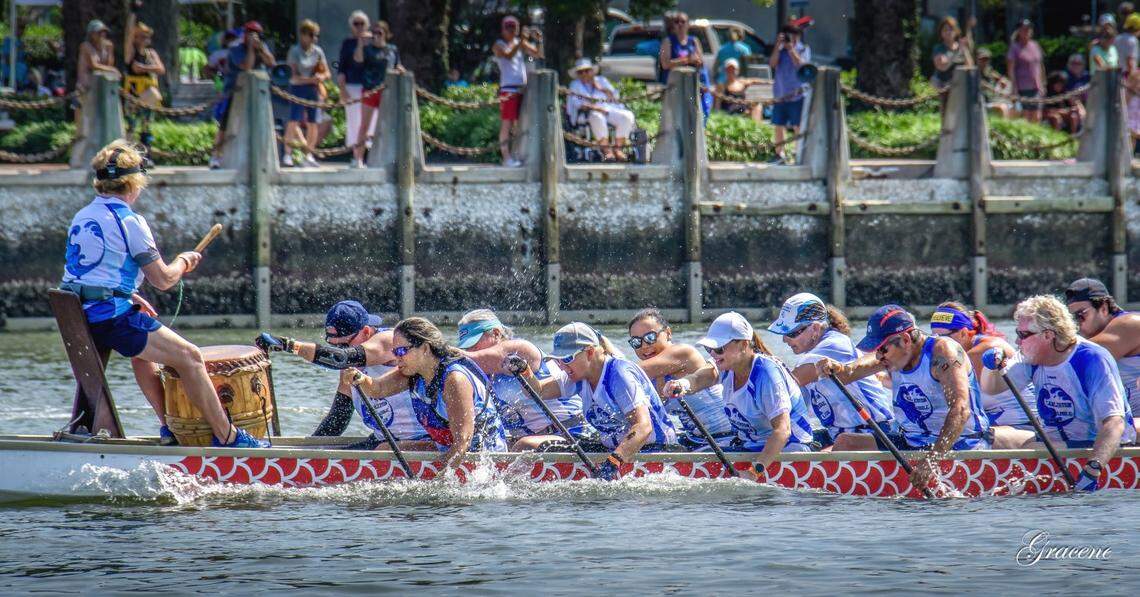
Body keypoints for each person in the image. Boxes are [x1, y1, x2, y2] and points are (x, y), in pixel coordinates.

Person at [60, 140, 267, 448]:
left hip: (79, 315)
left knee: (142, 357)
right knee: (191, 357)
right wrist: (184, 261)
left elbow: (88, 274)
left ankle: (169, 428)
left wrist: (129, 297)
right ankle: (229, 437)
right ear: (133, 182)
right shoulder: (130, 221)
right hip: (110, 319)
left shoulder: (82, 216)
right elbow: (163, 280)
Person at [815, 305, 991, 493]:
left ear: (905, 340)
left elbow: (960, 409)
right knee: (845, 442)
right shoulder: (893, 355)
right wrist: (835, 367)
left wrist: (932, 459)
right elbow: (848, 373)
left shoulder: (942, 353)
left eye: (882, 349)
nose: (879, 356)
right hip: (913, 442)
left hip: (960, 444)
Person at [980, 295, 1136, 492]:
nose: (1017, 341)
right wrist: (991, 367)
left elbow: (1114, 424)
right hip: (1056, 443)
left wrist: (1093, 468)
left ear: (1047, 335)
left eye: (1023, 334)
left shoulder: (1091, 359)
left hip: (1099, 449)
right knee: (989, 436)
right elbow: (992, 388)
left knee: (1029, 449)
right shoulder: (1031, 357)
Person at [508, 323, 679, 480]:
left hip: (655, 451)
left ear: (590, 352)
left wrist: (613, 462)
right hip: (613, 451)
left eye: (567, 359)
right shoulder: (578, 375)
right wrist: (525, 372)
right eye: (558, 360)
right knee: (533, 447)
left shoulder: (619, 374)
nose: (561, 365)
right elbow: (538, 391)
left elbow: (643, 427)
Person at [257, 301, 430, 450]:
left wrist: (287, 345)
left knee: (381, 449)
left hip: (422, 442)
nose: (340, 351)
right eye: (333, 346)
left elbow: (341, 358)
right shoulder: (349, 364)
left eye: (345, 345)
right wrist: (307, 452)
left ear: (367, 332)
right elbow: (338, 419)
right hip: (385, 441)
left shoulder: (389, 341)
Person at [664, 312, 817, 481]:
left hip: (788, 451)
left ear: (743, 344)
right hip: (751, 448)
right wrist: (682, 385)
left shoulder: (766, 374)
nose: (714, 354)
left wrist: (754, 472)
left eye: (719, 348)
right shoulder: (726, 366)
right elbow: (700, 378)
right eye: (709, 349)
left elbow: (782, 431)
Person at [349, 317, 509, 474]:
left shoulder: (454, 380)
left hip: (484, 459)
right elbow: (377, 389)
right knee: (383, 449)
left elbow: (462, 443)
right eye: (394, 351)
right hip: (448, 448)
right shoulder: (412, 372)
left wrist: (438, 485)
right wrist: (360, 378)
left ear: (425, 348)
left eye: (402, 351)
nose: (397, 357)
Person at [766, 294, 897, 451]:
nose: (785, 340)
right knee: (781, 440)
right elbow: (788, 404)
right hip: (837, 434)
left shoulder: (835, 343)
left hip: (877, 433)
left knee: (841, 442)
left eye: (791, 333)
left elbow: (790, 382)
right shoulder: (810, 355)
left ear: (814, 328)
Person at [455, 309, 597, 451]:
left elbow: (476, 359)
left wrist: (438, 349)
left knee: (523, 445)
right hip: (530, 443)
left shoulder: (520, 350)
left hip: (572, 433)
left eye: (474, 344)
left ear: (496, 333)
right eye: (465, 347)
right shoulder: (479, 374)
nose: (470, 350)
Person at [928, 302, 1037, 448]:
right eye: (933, 337)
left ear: (964, 333)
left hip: (1026, 427)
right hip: (998, 424)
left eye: (943, 337)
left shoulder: (981, 351)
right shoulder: (956, 352)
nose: (937, 343)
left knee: (961, 435)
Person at [626, 308, 734, 451]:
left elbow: (621, 372)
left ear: (668, 333)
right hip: (694, 439)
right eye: (636, 342)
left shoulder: (683, 353)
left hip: (726, 439)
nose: (645, 346)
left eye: (650, 337)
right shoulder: (650, 375)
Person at [1065, 278, 1140, 420]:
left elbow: (1068, 357)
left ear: (1104, 308)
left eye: (1080, 315)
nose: (1076, 324)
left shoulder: (1130, 324)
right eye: (1071, 319)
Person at [209, 21, 275, 169]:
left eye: (256, 34)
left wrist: (261, 50)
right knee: (224, 126)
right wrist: (251, 48)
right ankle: (215, 156)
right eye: (250, 33)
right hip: (234, 92)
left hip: (255, 92)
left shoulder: (262, 48)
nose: (253, 37)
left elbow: (272, 63)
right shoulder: (235, 50)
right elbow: (247, 67)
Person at [351, 21, 402, 169]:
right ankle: (358, 158)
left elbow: (397, 65)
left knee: (387, 126)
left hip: (387, 92)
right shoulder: (367, 49)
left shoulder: (392, 49)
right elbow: (358, 60)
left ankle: (386, 158)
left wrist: (403, 72)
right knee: (364, 125)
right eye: (374, 33)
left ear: (386, 34)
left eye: (380, 33)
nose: (376, 36)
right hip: (369, 90)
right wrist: (360, 43)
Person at [492, 16, 541, 167]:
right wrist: (521, 41)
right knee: (506, 124)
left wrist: (539, 40)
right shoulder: (498, 45)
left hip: (521, 89)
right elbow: (507, 55)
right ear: (503, 29)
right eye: (509, 28)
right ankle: (506, 158)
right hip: (508, 90)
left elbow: (538, 54)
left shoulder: (519, 43)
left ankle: (516, 155)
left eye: (514, 28)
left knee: (518, 125)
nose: (512, 31)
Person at [565, 58, 636, 162]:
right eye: (581, 72)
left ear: (592, 71)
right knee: (596, 116)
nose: (584, 74)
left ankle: (618, 149)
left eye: (587, 71)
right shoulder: (575, 85)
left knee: (627, 116)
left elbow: (614, 97)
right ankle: (607, 152)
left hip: (608, 109)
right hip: (588, 114)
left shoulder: (601, 80)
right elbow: (578, 103)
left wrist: (600, 88)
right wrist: (597, 108)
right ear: (578, 74)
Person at [282, 19, 329, 168]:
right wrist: (310, 79)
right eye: (311, 34)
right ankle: (287, 154)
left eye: (316, 35)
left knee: (313, 123)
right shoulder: (294, 51)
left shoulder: (318, 51)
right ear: (303, 34)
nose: (314, 38)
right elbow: (293, 77)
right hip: (298, 88)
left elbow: (327, 72)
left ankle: (308, 154)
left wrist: (321, 77)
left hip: (313, 89)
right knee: (293, 120)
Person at [767, 24, 811, 164]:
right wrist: (777, 46)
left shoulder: (803, 48)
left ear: (797, 36)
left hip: (797, 94)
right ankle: (779, 154)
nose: (789, 37)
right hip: (780, 94)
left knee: (797, 126)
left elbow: (802, 65)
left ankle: (799, 154)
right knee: (778, 125)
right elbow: (772, 64)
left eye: (792, 34)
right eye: (787, 34)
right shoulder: (780, 50)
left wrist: (791, 49)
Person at [337, 11, 375, 164]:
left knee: (371, 123)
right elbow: (341, 70)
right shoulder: (347, 44)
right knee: (355, 123)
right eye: (356, 24)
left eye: (362, 23)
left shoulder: (374, 42)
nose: (359, 27)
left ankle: (368, 156)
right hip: (352, 86)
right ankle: (357, 157)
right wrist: (342, 90)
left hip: (371, 87)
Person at [658, 11, 712, 120]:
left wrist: (695, 61)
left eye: (683, 21)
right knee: (676, 117)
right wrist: (686, 60)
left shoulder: (694, 41)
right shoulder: (668, 41)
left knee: (695, 115)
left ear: (688, 24)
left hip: (692, 84)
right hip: (674, 85)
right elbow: (665, 64)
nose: (680, 24)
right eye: (677, 22)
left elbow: (701, 62)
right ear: (673, 25)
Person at [1006, 19, 1045, 123]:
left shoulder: (1035, 45)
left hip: (1036, 87)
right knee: (1026, 117)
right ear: (1018, 31)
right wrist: (1014, 89)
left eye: (1028, 29)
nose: (1026, 31)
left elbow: (1040, 65)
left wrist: (1042, 84)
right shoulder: (1014, 47)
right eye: (1024, 29)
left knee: (1037, 116)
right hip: (1022, 87)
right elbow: (1011, 70)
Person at [931, 16, 972, 92]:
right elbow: (942, 67)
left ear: (956, 31)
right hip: (942, 86)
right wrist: (956, 52)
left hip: (959, 85)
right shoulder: (938, 48)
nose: (948, 32)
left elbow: (969, 66)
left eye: (951, 29)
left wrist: (964, 49)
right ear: (941, 33)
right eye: (945, 30)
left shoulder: (961, 47)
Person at [77, 20, 116, 91]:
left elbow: (109, 65)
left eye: (103, 32)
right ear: (91, 34)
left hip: (101, 86)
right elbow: (94, 66)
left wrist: (110, 50)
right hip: (86, 88)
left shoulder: (108, 46)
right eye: (99, 32)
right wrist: (112, 70)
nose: (102, 35)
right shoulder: (85, 46)